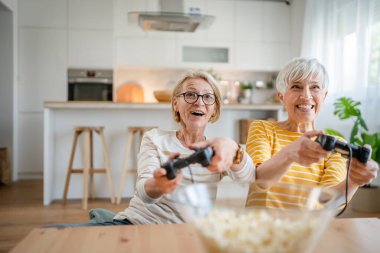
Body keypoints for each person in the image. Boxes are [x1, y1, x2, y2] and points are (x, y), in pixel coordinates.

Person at [49, 70, 255, 227]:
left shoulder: (219, 151)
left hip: (182, 234)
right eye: (190, 95)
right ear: (175, 103)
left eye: (208, 97)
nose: (199, 102)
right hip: (136, 224)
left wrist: (236, 151)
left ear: (214, 109)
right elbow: (144, 192)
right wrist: (158, 184)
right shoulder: (154, 138)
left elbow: (250, 177)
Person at [245, 57, 378, 209]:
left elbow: (326, 200)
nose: (306, 95)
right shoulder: (262, 128)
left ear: (324, 96)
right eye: (296, 87)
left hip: (307, 226)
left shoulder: (334, 144)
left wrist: (354, 181)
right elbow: (259, 179)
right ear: (281, 96)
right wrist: (291, 153)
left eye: (315, 87)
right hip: (261, 225)